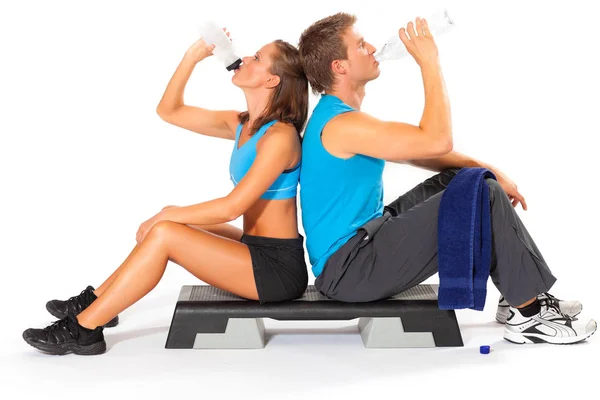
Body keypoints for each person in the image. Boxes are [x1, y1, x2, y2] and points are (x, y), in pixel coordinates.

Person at [297, 13, 596, 345]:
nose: (371, 47)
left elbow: (423, 153)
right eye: (359, 44)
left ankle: (518, 294)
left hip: (363, 248)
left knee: (467, 180)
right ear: (340, 67)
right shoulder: (341, 125)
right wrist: (429, 61)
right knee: (481, 193)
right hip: (352, 270)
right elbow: (437, 141)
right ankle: (529, 315)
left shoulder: (341, 118)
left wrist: (490, 169)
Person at [22, 33, 310, 355]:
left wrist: (164, 217)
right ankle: (98, 300)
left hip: (276, 269)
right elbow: (169, 111)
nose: (244, 59)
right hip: (253, 248)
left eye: (257, 58)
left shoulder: (280, 137)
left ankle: (85, 328)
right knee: (170, 217)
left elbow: (233, 207)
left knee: (166, 232)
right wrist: (192, 56)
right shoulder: (242, 124)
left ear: (272, 80)